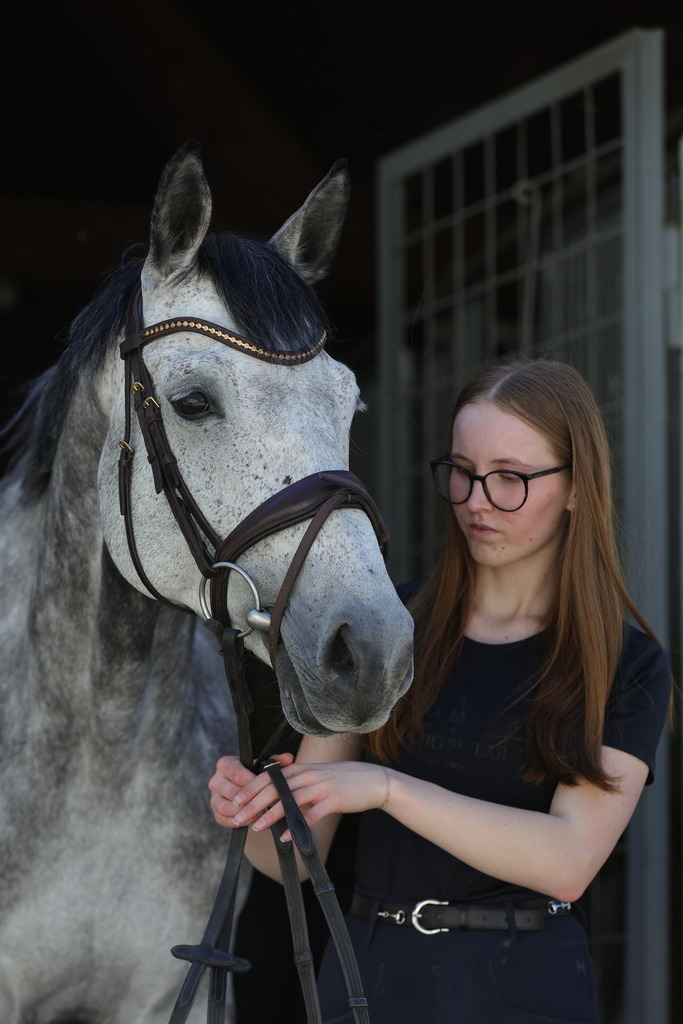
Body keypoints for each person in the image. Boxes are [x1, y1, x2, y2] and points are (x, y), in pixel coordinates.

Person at [209, 357, 672, 1024]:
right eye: (461, 470)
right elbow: (293, 863)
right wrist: (259, 810)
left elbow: (568, 861)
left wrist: (386, 789)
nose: (476, 500)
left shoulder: (624, 664)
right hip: (367, 974)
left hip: (524, 983)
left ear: (576, 488)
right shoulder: (387, 627)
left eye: (509, 477)